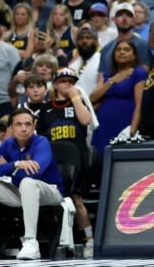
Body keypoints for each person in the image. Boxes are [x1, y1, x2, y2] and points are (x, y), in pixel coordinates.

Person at [0, 108, 64, 261]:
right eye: (19, 124)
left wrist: (6, 167)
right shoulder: (7, 144)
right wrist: (15, 164)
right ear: (12, 128)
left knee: (27, 182)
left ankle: (30, 241)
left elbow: (34, 173)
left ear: (33, 126)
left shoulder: (42, 142)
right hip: (21, 192)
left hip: (50, 192)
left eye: (28, 124)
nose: (24, 128)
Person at [36, 68, 95, 255]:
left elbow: (86, 120)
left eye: (71, 81)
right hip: (53, 162)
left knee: (77, 201)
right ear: (54, 84)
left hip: (77, 160)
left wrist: (76, 98)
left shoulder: (79, 102)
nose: (68, 85)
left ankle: (89, 240)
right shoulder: (45, 109)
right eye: (63, 81)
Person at [89, 39, 147, 153]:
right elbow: (92, 99)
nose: (122, 52)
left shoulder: (138, 73)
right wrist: (112, 81)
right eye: (118, 50)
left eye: (126, 50)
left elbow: (139, 105)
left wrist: (132, 132)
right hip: (103, 124)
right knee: (99, 160)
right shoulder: (107, 75)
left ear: (134, 55)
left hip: (124, 123)